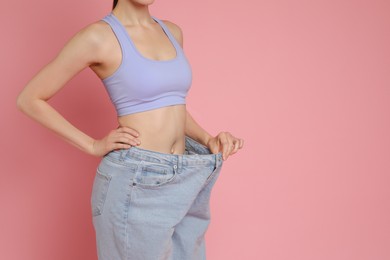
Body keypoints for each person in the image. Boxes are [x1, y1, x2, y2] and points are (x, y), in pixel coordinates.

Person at [16, 0, 244, 259]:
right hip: (137, 181)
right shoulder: (98, 37)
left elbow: (171, 106)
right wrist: (92, 145)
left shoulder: (172, 31)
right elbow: (29, 99)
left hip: (187, 176)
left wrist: (208, 138)